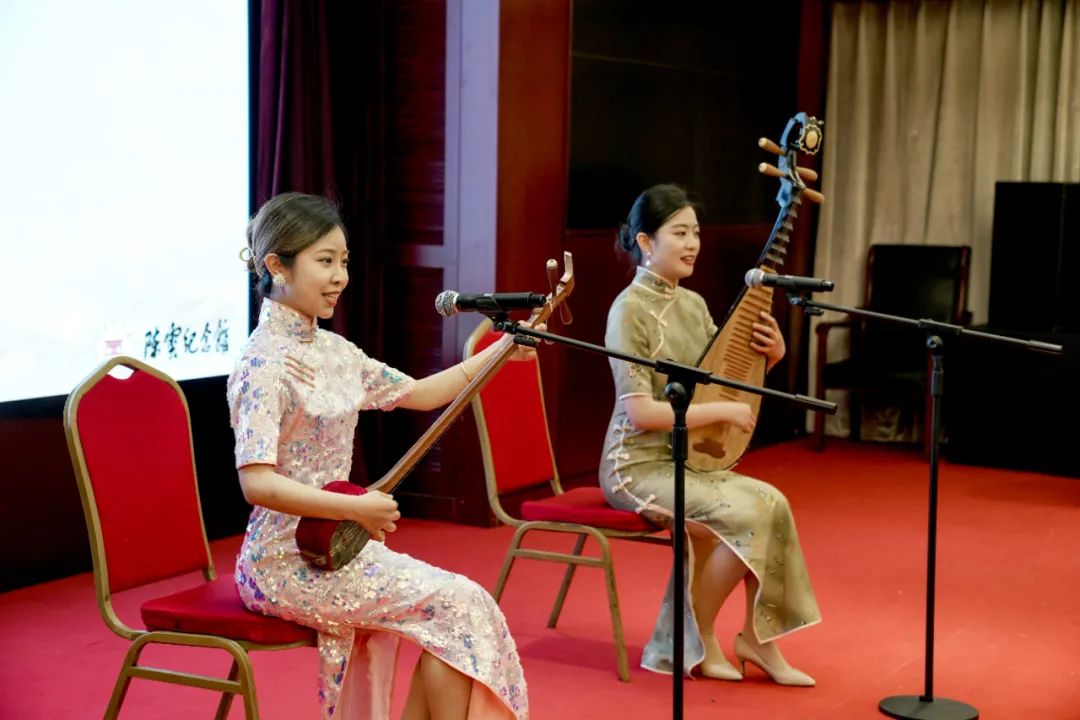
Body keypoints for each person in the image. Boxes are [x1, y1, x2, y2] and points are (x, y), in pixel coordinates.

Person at [228, 192, 529, 719]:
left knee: (463, 610)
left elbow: (422, 394)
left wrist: (499, 352)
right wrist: (355, 507)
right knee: (458, 605)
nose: (340, 277)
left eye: (344, 261)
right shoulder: (262, 364)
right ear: (276, 266)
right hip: (284, 561)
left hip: (340, 546)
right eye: (325, 261)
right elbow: (257, 483)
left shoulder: (336, 351)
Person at [600, 184, 820, 685]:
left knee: (774, 503)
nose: (692, 244)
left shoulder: (694, 304)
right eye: (679, 233)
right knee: (745, 517)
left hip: (688, 458)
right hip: (636, 465)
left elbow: (719, 383)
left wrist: (774, 356)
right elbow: (640, 413)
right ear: (645, 241)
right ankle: (690, 640)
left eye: (695, 232)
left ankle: (757, 639)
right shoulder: (628, 310)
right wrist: (722, 409)